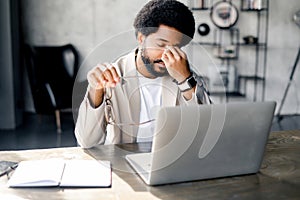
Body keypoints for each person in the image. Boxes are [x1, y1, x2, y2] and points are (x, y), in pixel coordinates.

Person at [75, 0, 211, 148]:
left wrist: (185, 80)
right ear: (141, 38)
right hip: (125, 163)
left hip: (172, 163)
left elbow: (207, 134)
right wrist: (96, 91)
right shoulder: (112, 76)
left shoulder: (183, 74)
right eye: (161, 44)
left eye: (176, 47)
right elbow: (87, 142)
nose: (167, 55)